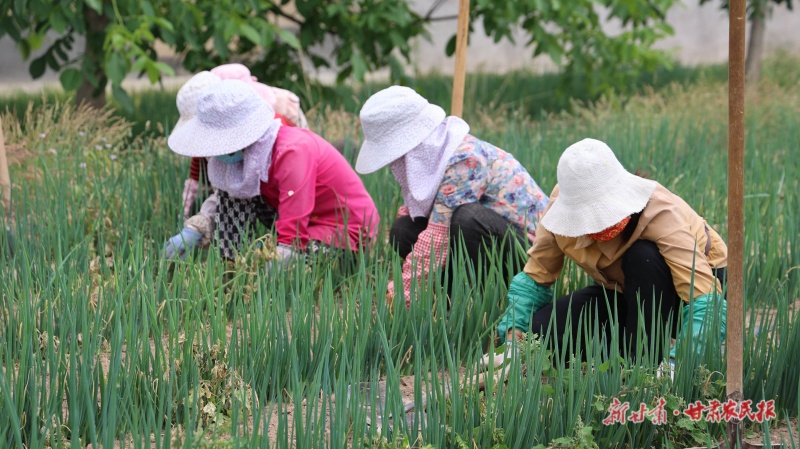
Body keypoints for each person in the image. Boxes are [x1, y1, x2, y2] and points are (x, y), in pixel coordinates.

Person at [497, 138, 727, 364]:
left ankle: (645, 363)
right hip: (624, 290)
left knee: (643, 256)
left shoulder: (659, 211)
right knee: (540, 333)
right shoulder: (561, 209)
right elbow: (536, 277)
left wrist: (681, 364)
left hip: (686, 292)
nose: (598, 223)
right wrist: (512, 339)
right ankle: (623, 352)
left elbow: (705, 302)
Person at [356, 86, 549, 308]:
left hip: (528, 252)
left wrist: (403, 293)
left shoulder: (464, 158)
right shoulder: (434, 154)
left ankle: (484, 300)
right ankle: (449, 297)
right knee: (404, 229)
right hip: (482, 240)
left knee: (467, 218)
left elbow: (438, 235)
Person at [166, 79, 379, 267]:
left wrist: (277, 265)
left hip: (342, 230)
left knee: (298, 268)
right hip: (305, 217)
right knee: (236, 196)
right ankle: (231, 264)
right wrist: (197, 227)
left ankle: (261, 275)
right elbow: (227, 194)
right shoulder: (247, 154)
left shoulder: (291, 152)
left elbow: (293, 228)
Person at [178, 64, 309, 223]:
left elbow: (293, 190)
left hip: (288, 199)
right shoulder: (207, 146)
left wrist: (286, 245)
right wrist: (192, 221)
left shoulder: (274, 136)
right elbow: (204, 182)